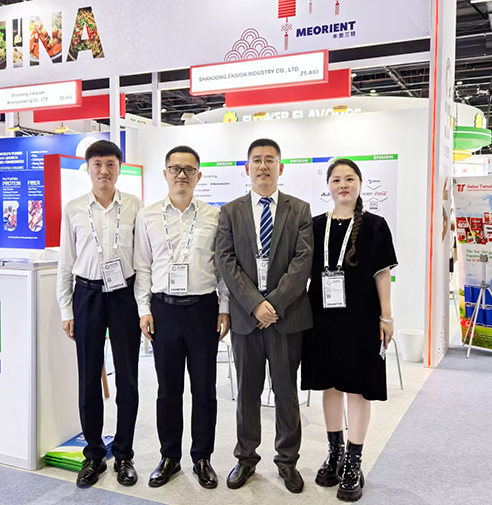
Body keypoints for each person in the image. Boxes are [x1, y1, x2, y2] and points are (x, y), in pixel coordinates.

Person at [216, 138, 313, 493]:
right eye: (256, 160)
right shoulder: (230, 211)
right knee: (247, 393)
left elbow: (302, 261)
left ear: (280, 168)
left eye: (269, 160)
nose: (263, 166)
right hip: (246, 318)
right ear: (247, 168)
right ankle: (246, 458)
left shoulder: (299, 210)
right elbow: (225, 261)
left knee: (286, 392)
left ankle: (287, 462)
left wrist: (273, 304)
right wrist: (255, 304)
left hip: (287, 318)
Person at [301, 158, 398, 502]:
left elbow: (382, 273)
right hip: (322, 318)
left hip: (362, 318)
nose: (343, 185)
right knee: (329, 386)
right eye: (336, 179)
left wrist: (386, 317)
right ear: (328, 185)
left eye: (350, 178)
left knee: (357, 389)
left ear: (360, 183)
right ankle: (335, 453)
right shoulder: (315, 225)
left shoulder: (375, 225)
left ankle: (354, 462)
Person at [134, 145, 230, 489]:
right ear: (165, 174)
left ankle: (202, 457)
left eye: (189, 169)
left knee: (204, 389)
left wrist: (224, 307)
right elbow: (143, 267)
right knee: (168, 390)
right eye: (175, 169)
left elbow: (222, 268)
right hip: (164, 310)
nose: (181, 175)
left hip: (203, 310)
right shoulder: (147, 216)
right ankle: (169, 457)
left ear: (199, 176)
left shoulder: (215, 216)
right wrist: (144, 309)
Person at [57, 140, 143, 488]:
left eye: (110, 164)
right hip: (87, 295)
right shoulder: (74, 208)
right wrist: (66, 308)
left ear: (119, 168)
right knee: (89, 377)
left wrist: (143, 306)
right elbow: (66, 263)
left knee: (128, 378)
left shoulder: (135, 206)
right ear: (88, 168)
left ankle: (123, 454)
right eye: (97, 164)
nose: (104, 171)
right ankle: (93, 454)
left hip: (124, 296)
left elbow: (143, 261)